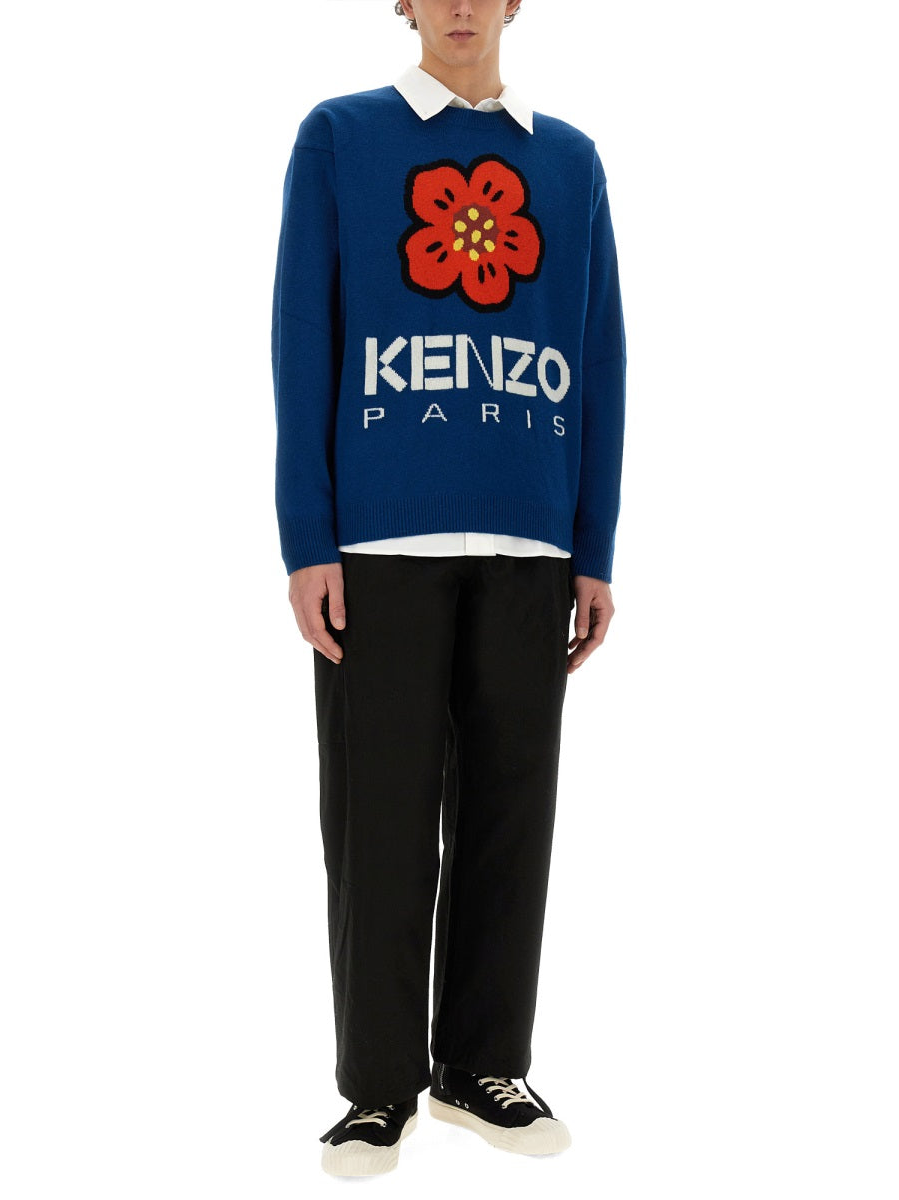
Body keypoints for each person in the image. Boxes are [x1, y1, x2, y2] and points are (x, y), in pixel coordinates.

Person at [271, 0, 626, 1177]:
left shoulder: (569, 161)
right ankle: (378, 1089)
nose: (462, 6)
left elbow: (602, 355)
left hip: (531, 540)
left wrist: (593, 546)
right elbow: (302, 340)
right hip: (380, 543)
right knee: (378, 821)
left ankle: (482, 1066)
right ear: (405, 4)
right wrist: (307, 539)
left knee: (513, 816)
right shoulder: (340, 137)